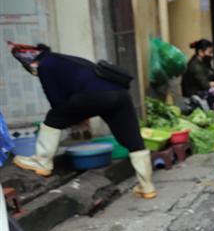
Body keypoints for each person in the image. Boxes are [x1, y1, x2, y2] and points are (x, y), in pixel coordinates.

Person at [8, 43, 156, 199]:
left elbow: (56, 102)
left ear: (30, 63)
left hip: (95, 96)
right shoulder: (65, 60)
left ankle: (42, 163)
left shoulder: (44, 66)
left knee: (53, 118)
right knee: (133, 140)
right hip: (120, 94)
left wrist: (75, 116)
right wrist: (79, 113)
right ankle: (147, 187)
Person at [181, 39, 214, 110]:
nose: (212, 55)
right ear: (201, 52)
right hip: (194, 94)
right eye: (210, 52)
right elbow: (206, 85)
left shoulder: (204, 63)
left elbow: (213, 77)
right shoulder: (195, 66)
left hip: (201, 91)